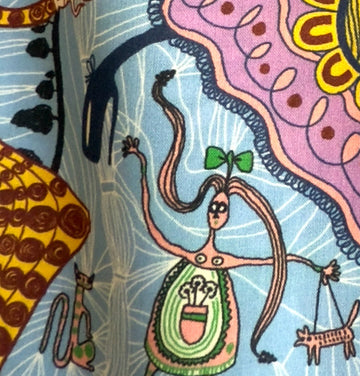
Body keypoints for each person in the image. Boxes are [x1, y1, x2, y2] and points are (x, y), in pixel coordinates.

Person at [121, 71, 338, 373]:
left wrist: (317, 268)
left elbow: (274, 260)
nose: (216, 212)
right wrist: (142, 165)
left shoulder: (224, 260)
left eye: (221, 208)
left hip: (209, 316)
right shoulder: (198, 256)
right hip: (177, 306)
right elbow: (154, 229)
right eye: (215, 206)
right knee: (160, 351)